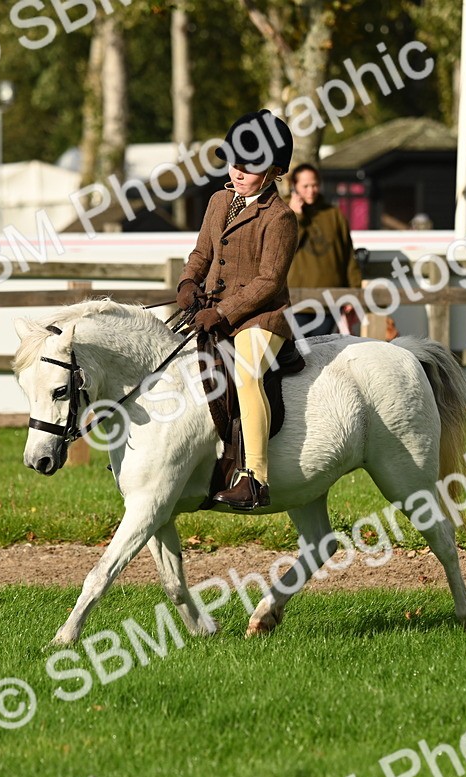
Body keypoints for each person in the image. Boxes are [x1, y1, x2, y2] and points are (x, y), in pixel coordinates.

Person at [176, 109, 298, 511]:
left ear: (274, 170)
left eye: (252, 165)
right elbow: (201, 253)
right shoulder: (218, 200)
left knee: (247, 375)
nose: (240, 171)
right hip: (213, 308)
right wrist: (188, 282)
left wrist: (224, 313)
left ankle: (256, 479)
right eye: (236, 161)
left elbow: (268, 282)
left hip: (261, 317)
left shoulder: (280, 217)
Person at [285, 163, 362, 337]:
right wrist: (296, 215)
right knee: (298, 355)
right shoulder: (283, 211)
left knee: (323, 354)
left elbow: (348, 255)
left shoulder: (333, 214)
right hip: (295, 303)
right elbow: (285, 247)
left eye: (315, 185)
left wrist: (353, 292)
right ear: (294, 186)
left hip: (330, 302)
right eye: (305, 186)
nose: (311, 190)